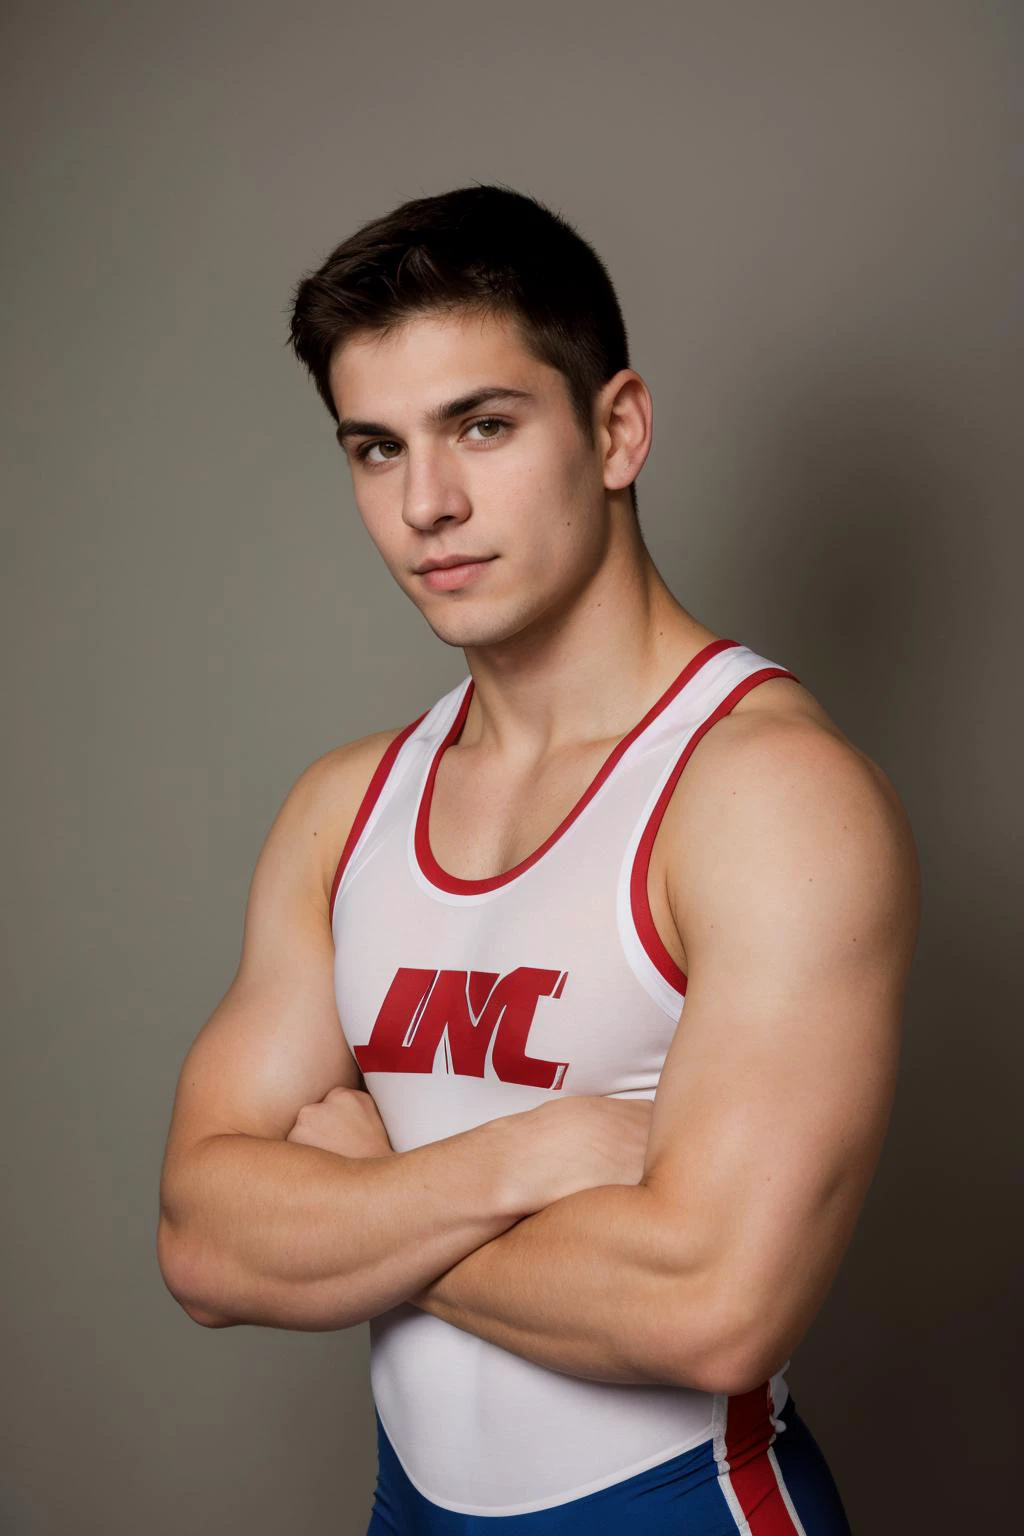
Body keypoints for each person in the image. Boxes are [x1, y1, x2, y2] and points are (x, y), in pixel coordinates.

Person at [157, 183, 920, 1533]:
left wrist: (360, 1207)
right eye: (376, 449)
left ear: (616, 429)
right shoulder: (346, 809)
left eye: (483, 426)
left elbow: (710, 1307)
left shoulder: (766, 798)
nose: (429, 504)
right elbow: (208, 1243)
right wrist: (526, 1158)